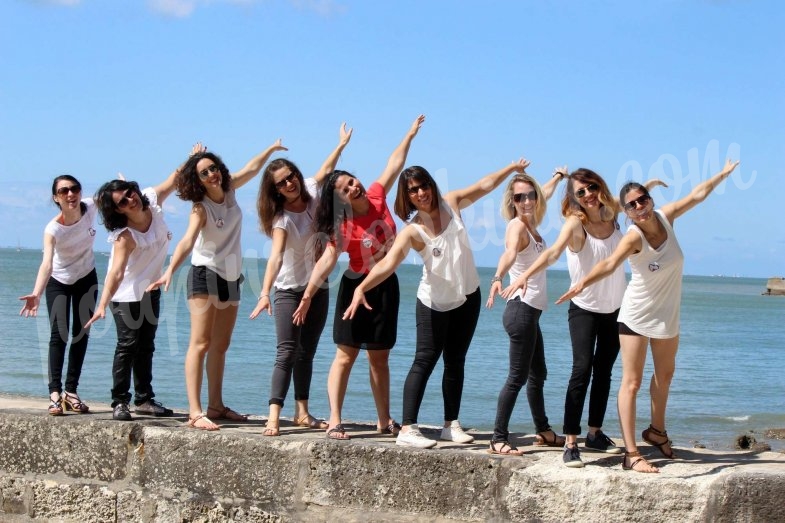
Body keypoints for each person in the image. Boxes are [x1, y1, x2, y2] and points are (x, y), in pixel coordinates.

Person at [555, 159, 740, 473]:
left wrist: (722, 174)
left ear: (651, 201)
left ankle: (656, 431)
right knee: (632, 382)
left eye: (643, 200)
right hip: (636, 314)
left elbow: (696, 195)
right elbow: (610, 264)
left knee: (664, 377)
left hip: (667, 314)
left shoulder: (666, 217)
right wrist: (582, 283)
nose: (639, 207)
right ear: (625, 212)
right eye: (632, 205)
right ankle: (631, 454)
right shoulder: (632, 236)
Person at [345, 157, 534, 449]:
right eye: (412, 190)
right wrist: (362, 288)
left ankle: (451, 425)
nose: (420, 193)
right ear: (406, 196)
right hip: (433, 303)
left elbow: (484, 186)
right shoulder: (413, 230)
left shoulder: (451, 203)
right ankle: (407, 428)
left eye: (423, 186)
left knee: (456, 361)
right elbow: (388, 264)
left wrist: (510, 169)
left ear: (431, 185)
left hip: (468, 295)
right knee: (424, 360)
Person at [503, 169, 665, 467]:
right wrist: (523, 275)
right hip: (583, 309)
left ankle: (595, 433)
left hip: (617, 309)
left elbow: (629, 202)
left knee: (604, 372)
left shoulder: (612, 213)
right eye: (581, 192)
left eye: (591, 187)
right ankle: (570, 441)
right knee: (582, 370)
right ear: (574, 199)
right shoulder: (575, 224)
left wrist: (650, 185)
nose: (588, 194)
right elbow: (551, 253)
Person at [292, 115, 425, 440]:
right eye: (345, 188)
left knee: (380, 358)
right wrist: (308, 294)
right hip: (355, 288)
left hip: (385, 287)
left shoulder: (378, 197)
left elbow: (395, 163)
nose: (354, 187)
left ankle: (384, 420)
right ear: (341, 199)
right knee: (345, 355)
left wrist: (409, 134)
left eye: (352, 181)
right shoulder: (344, 225)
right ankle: (335, 420)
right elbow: (326, 261)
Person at [149, 139, 287, 430]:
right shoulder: (200, 208)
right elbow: (187, 241)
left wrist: (271, 149)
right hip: (204, 274)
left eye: (213, 168)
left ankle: (216, 405)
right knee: (200, 344)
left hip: (231, 277)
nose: (212, 174)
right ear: (196, 180)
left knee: (221, 345)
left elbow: (252, 167)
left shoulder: (231, 188)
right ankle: (195, 411)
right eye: (204, 172)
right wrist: (170, 269)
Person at [250, 124, 353, 436]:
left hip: (317, 288)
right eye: (282, 183)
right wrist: (265, 292)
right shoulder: (282, 219)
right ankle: (273, 415)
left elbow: (325, 169)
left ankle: (302, 413)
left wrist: (341, 144)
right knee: (286, 351)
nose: (290, 183)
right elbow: (276, 257)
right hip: (288, 291)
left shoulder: (311, 190)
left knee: (307, 352)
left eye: (291, 176)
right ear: (276, 190)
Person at [86, 158, 188, 421]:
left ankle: (144, 399)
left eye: (130, 193)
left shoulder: (153, 202)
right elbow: (116, 273)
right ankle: (119, 401)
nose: (130, 200)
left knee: (147, 346)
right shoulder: (125, 237)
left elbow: (173, 179)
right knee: (128, 345)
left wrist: (192, 158)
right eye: (122, 201)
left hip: (150, 290)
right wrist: (101, 305)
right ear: (117, 210)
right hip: (124, 295)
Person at [484, 169, 566, 455]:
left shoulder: (532, 223)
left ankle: (543, 430)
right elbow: (508, 253)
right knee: (517, 377)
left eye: (531, 195)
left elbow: (543, 193)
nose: (527, 201)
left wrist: (557, 177)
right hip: (520, 310)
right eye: (520, 197)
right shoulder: (517, 226)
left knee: (538, 373)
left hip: (531, 313)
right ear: (513, 201)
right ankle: (498, 438)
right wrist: (497, 278)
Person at [19, 175, 98, 416]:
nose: (70, 194)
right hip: (59, 281)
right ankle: (55, 394)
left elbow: (116, 197)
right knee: (59, 334)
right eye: (64, 191)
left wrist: (126, 188)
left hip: (86, 276)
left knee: (81, 332)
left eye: (74, 189)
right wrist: (36, 293)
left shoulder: (91, 207)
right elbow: (46, 264)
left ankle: (71, 392)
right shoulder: (53, 229)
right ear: (56, 198)